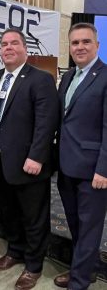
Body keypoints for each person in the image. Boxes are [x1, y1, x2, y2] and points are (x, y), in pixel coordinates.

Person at [0, 28, 59, 290]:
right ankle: (15, 250)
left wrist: (37, 156)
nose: (8, 48)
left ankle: (33, 265)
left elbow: (46, 122)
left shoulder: (40, 79)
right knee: (8, 212)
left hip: (29, 163)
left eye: (14, 43)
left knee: (34, 215)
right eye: (4, 44)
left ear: (25, 48)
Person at [54, 22, 107, 290]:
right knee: (76, 225)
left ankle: (78, 282)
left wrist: (104, 169)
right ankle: (85, 269)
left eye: (86, 41)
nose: (80, 47)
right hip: (66, 167)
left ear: (97, 45)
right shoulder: (68, 77)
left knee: (89, 230)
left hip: (93, 172)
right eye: (75, 43)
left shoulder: (106, 76)